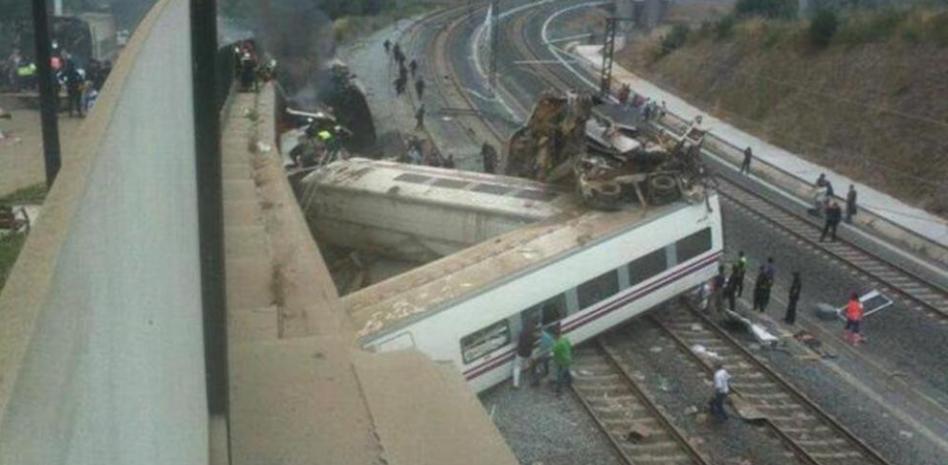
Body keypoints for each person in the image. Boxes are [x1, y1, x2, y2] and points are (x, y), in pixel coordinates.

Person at [512, 322, 536, 388]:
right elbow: (533, 344)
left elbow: (518, 342)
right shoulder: (532, 335)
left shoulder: (521, 334)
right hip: (528, 353)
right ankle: (534, 374)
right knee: (531, 362)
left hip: (520, 353)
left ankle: (515, 384)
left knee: (516, 367)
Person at [552, 326, 572, 396]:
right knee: (566, 371)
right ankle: (569, 382)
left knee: (560, 375)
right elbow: (569, 345)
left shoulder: (558, 344)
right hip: (568, 358)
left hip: (561, 361)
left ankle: (558, 390)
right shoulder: (565, 339)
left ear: (555, 336)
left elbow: (553, 351)